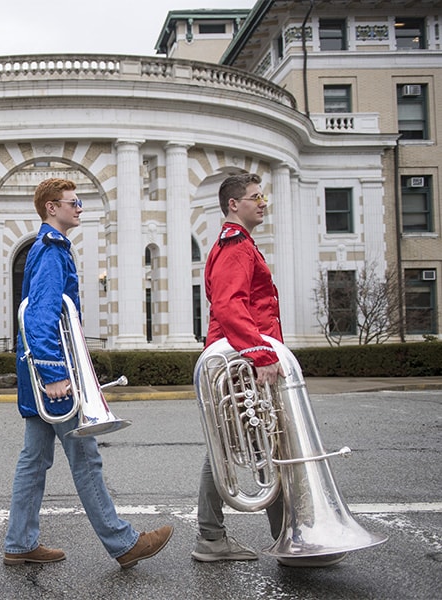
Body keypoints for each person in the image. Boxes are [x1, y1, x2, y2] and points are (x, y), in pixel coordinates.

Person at [4, 178, 173, 570]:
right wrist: (53, 373)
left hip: (47, 374)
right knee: (85, 457)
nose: (79, 208)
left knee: (33, 459)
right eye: (73, 202)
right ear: (51, 208)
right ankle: (123, 542)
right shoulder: (50, 250)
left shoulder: (49, 248)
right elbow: (41, 315)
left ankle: (19, 542)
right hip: (54, 377)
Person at [192, 172, 285, 562]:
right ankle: (288, 536)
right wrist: (262, 354)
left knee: (232, 447)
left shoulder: (240, 244)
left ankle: (219, 537)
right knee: (268, 445)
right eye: (254, 196)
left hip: (239, 359)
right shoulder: (236, 246)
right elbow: (231, 306)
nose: (262, 202)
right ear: (234, 204)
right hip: (243, 362)